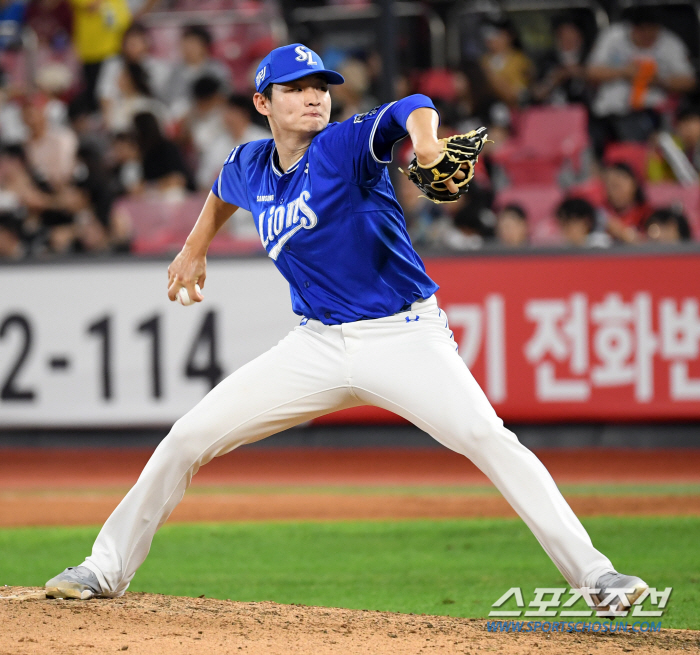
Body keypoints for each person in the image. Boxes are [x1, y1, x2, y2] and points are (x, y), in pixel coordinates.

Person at [45, 43, 648, 613]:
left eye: (320, 87)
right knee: (186, 438)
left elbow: (411, 108)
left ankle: (596, 576)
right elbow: (223, 191)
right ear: (263, 103)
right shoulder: (251, 163)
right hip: (315, 345)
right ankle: (104, 568)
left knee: (488, 439)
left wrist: (428, 146)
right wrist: (194, 248)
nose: (313, 97)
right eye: (295, 89)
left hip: (403, 336)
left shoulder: (344, 145)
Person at [586, 6, 696, 156]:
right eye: (642, 30)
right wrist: (624, 72)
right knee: (590, 140)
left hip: (649, 113)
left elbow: (689, 81)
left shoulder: (669, 42)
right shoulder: (613, 36)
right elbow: (591, 71)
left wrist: (659, 80)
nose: (647, 35)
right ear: (632, 28)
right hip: (607, 112)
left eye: (652, 30)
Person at [602, 161, 651, 243]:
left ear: (634, 184)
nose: (616, 191)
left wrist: (623, 233)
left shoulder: (647, 214)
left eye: (619, 185)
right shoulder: (601, 215)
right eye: (611, 186)